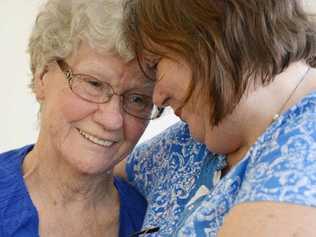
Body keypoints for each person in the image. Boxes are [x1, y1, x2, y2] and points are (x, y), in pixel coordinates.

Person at [121, 0, 316, 236]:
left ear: (212, 34)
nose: (158, 98)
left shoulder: (305, 143)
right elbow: (88, 172)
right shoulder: (188, 142)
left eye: (156, 64)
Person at [0, 0, 163, 236]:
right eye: (94, 84)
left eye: (137, 99)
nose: (113, 120)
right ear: (42, 76)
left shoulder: (156, 220)